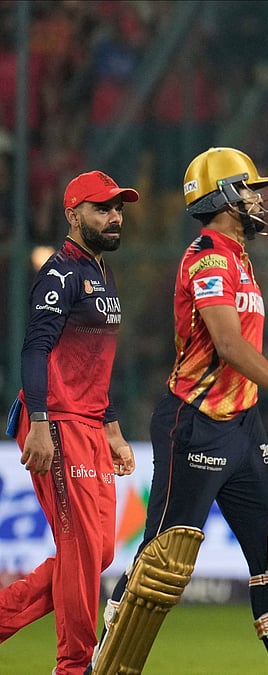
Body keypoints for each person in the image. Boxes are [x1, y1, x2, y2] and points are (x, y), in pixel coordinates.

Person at [91, 147, 268, 674]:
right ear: (225, 196)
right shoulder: (209, 256)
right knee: (163, 563)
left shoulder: (240, 257)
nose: (260, 199)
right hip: (196, 422)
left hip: (243, 426)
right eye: (251, 188)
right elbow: (229, 346)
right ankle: (106, 665)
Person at [0, 171, 139, 675]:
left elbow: (97, 360)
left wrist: (114, 426)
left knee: (97, 552)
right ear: (73, 214)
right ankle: (74, 665)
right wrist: (39, 422)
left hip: (88, 423)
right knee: (80, 549)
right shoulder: (60, 273)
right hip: (55, 421)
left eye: (119, 208)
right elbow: (35, 347)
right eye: (103, 208)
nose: (115, 216)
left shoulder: (103, 274)